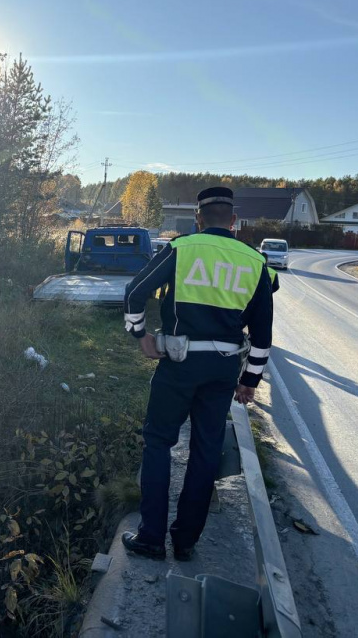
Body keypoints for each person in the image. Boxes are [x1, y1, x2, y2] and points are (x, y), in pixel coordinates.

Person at [119, 186, 273, 561]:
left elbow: (134, 292)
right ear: (234, 222)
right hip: (222, 370)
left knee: (158, 443)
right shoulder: (257, 263)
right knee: (205, 452)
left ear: (198, 219)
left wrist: (140, 336)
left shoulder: (181, 248)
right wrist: (249, 383)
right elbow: (263, 337)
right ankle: (185, 541)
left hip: (178, 365)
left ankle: (151, 537)